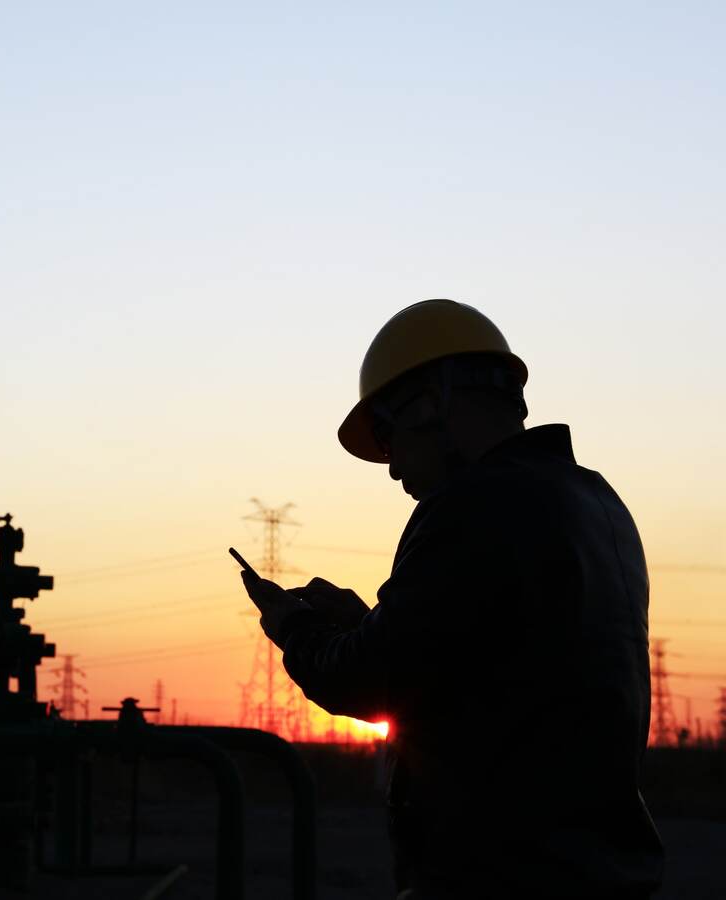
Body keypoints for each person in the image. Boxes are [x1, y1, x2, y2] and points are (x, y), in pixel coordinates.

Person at [241, 299, 663, 899]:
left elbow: (369, 679)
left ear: (433, 402)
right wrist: (370, 623)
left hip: (499, 878)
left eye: (388, 433)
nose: (390, 470)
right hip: (602, 876)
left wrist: (294, 626)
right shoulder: (598, 505)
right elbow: (492, 665)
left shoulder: (472, 505)